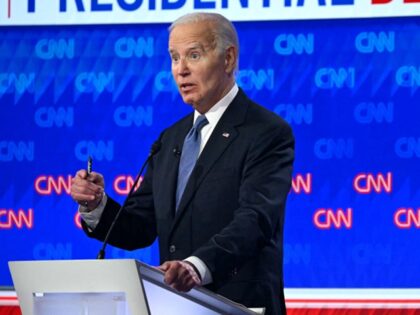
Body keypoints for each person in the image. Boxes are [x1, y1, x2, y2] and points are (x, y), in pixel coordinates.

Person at [70, 12, 294, 315]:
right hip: (176, 307)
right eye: (174, 58)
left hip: (240, 306)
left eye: (194, 55)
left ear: (228, 59)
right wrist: (97, 205)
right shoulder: (171, 138)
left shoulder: (266, 132)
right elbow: (139, 227)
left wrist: (196, 267)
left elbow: (255, 220)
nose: (181, 70)